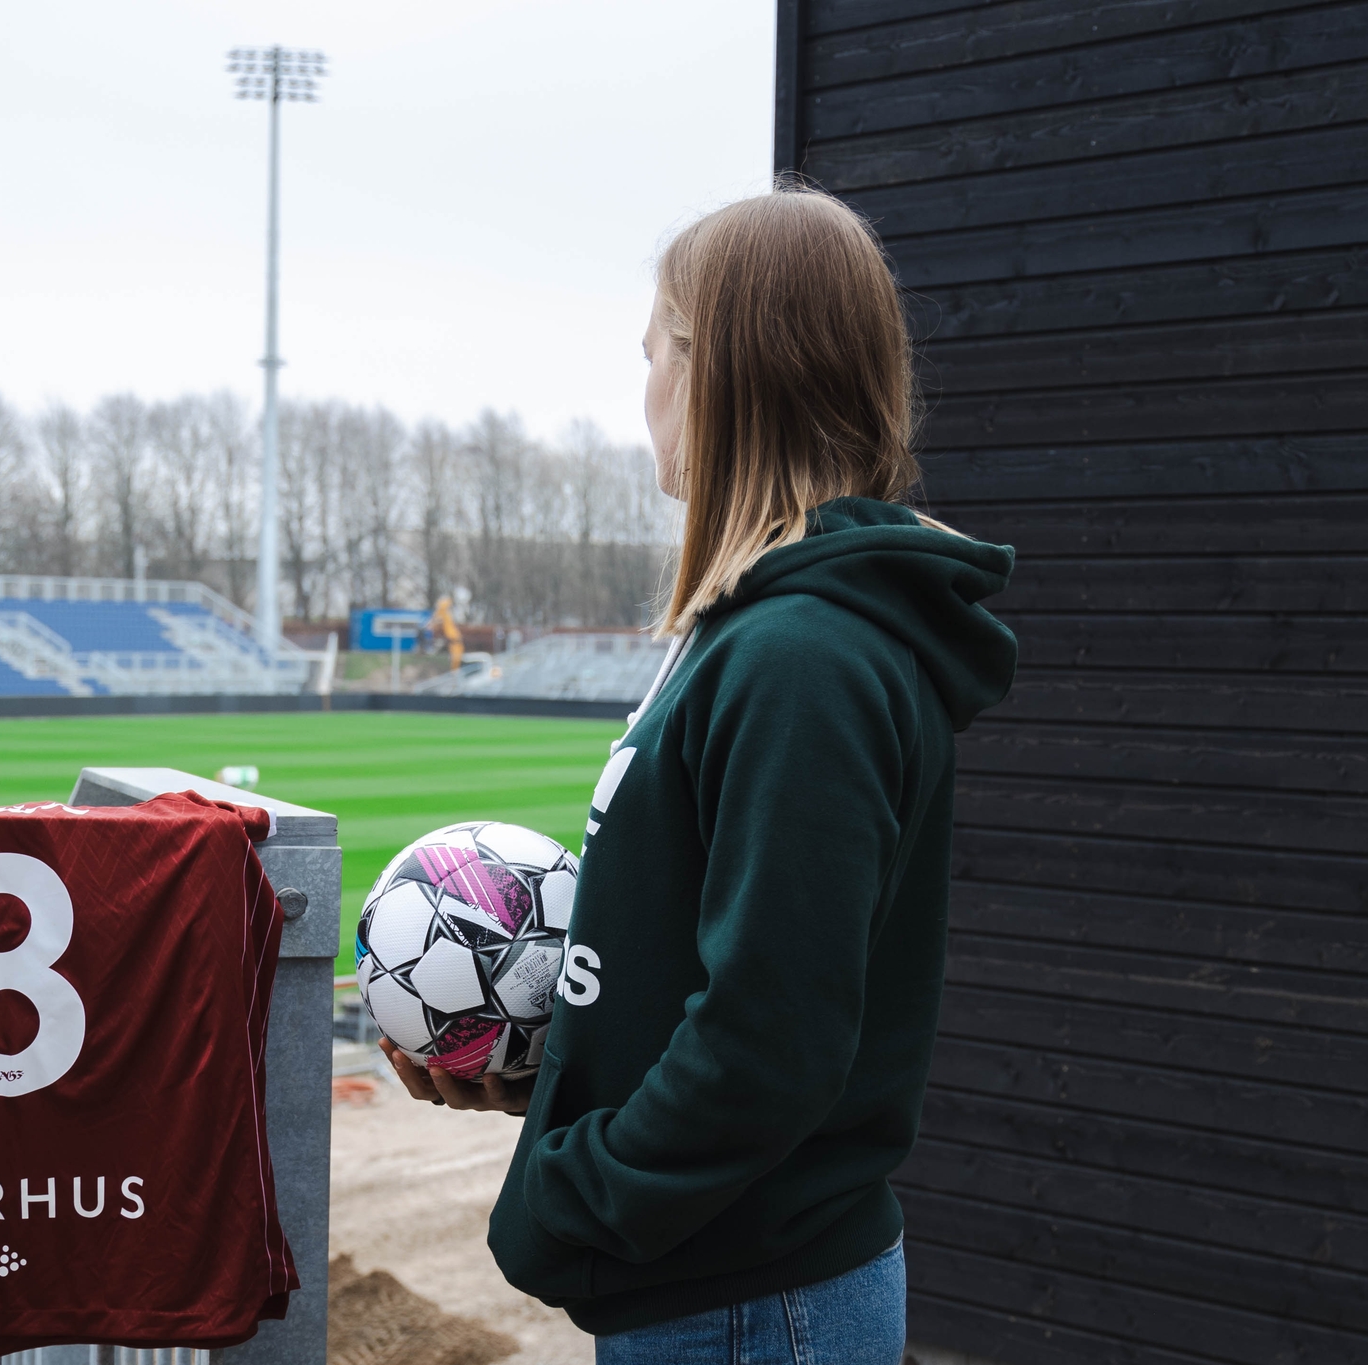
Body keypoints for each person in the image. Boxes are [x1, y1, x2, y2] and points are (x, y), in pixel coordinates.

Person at [380, 186, 1017, 1364]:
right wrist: (544, 1080)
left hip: (747, 1302)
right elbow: (706, 967)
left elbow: (769, 1042)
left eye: (654, 351)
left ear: (719, 372)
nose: (645, 393)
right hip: (727, 1287)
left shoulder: (801, 658)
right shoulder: (759, 633)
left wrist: (568, 1196)